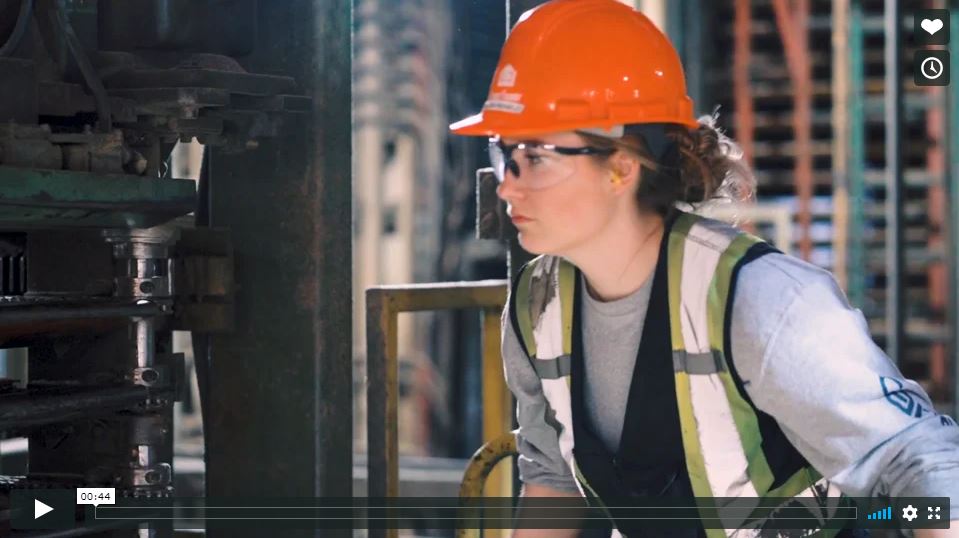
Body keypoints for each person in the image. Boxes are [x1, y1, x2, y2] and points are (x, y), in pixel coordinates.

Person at [448, 1, 959, 537]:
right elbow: (552, 478)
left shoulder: (760, 301)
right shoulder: (536, 308)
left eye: (536, 156)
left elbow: (925, 468)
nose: (506, 184)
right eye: (504, 153)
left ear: (621, 167)